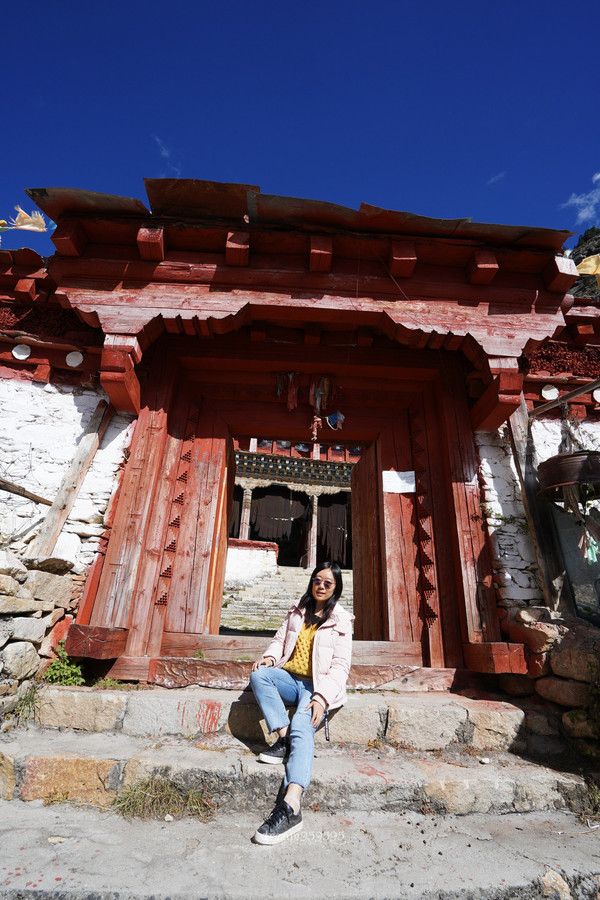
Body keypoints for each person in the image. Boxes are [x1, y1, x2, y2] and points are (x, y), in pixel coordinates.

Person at [249, 561, 353, 845]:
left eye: (328, 583)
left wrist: (322, 697)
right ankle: (284, 738)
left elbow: (340, 667)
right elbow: (279, 639)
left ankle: (292, 804)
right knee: (259, 675)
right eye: (317, 580)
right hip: (289, 678)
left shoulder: (341, 619)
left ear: (336, 588)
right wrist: (270, 657)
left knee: (302, 725)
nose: (321, 586)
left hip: (316, 686)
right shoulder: (298, 609)